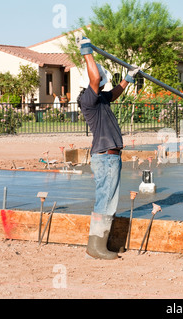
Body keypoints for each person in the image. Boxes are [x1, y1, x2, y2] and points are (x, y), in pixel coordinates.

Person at [77, 37, 139, 260]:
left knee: (107, 198)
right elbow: (94, 76)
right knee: (105, 199)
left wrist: (128, 78)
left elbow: (115, 93)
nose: (102, 84)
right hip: (105, 157)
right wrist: (86, 51)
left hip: (109, 157)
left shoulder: (102, 98)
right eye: (101, 81)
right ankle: (96, 246)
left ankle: (99, 245)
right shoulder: (89, 100)